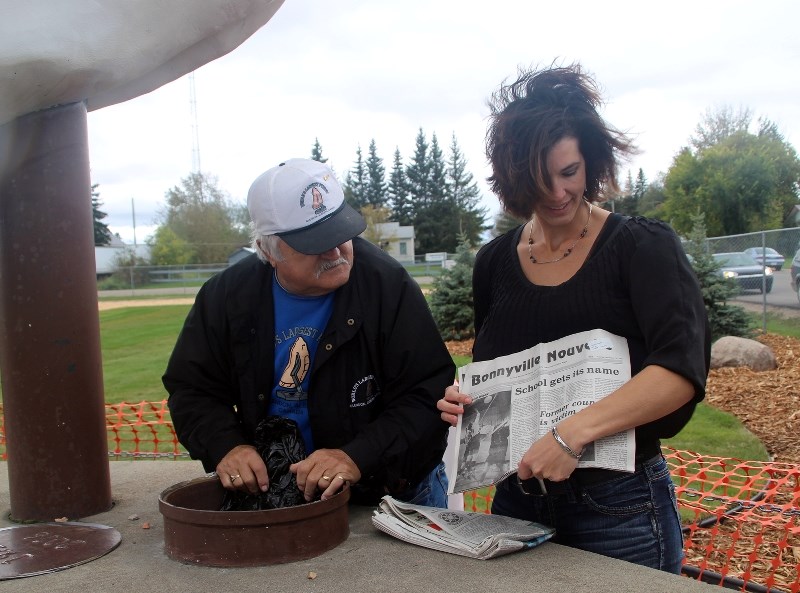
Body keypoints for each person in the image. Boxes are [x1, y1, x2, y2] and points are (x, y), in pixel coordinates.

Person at [437, 64, 710, 573]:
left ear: (591, 161)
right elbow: (497, 367)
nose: (559, 193)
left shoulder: (643, 248)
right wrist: (467, 403)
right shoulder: (493, 262)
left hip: (619, 508)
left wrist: (571, 436)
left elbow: (680, 372)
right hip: (515, 502)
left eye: (569, 173)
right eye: (539, 181)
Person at [165, 157, 454, 508]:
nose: (336, 252)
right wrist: (226, 445)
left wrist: (356, 456)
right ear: (267, 250)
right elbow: (192, 389)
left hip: (393, 492)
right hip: (280, 494)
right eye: (315, 243)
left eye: (341, 233)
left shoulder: (387, 285)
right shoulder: (226, 296)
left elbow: (426, 392)